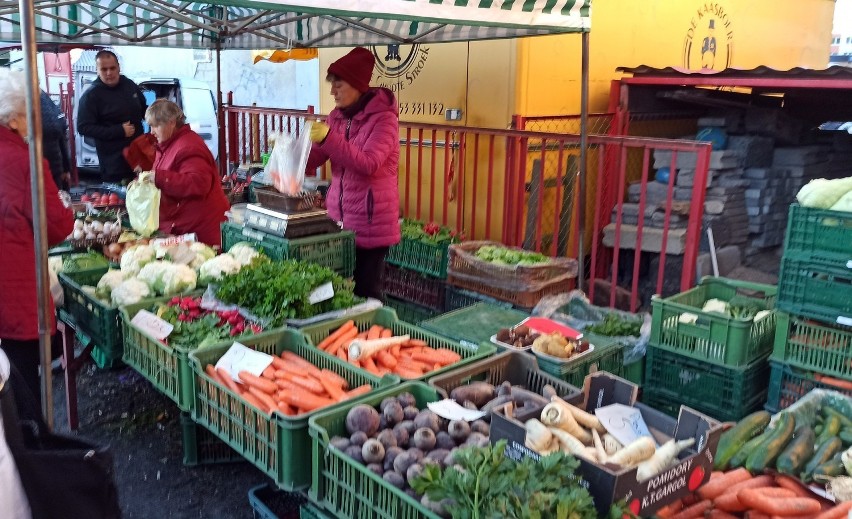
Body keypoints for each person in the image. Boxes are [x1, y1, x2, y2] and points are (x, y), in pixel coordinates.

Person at [0, 68, 75, 403]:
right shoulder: (24, 161)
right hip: (13, 284)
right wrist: (65, 209)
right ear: (14, 119)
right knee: (22, 379)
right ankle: (27, 447)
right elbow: (57, 227)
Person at [306, 47, 401, 300]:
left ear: (358, 84)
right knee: (336, 288)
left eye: (338, 85)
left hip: (371, 221)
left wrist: (329, 138)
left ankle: (374, 334)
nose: (332, 91)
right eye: (331, 85)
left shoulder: (384, 120)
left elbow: (368, 163)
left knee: (367, 291)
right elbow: (317, 156)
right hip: (339, 218)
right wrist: (290, 152)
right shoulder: (336, 117)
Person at [145, 98, 229, 247]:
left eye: (155, 126)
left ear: (171, 122)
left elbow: (198, 183)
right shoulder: (167, 145)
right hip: (183, 226)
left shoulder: (188, 146)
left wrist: (159, 178)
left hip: (202, 231)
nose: (151, 132)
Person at [76, 49, 146, 183]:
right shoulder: (91, 95)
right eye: (104, 69)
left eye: (112, 68)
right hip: (114, 164)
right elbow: (83, 127)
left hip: (140, 158)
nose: (109, 73)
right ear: (97, 70)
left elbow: (144, 110)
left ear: (119, 67)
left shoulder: (129, 84)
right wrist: (118, 131)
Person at [39, 90, 72, 191]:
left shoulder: (44, 98)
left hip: (54, 169)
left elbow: (60, 133)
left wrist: (65, 168)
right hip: (37, 173)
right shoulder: (19, 101)